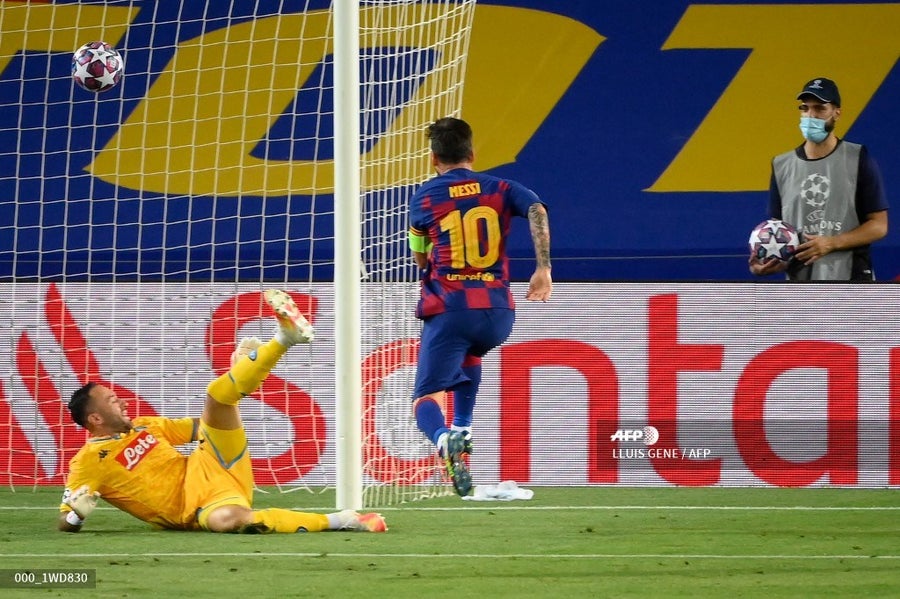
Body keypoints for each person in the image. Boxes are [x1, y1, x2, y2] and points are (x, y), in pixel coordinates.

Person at [59, 289, 387, 534]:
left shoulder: (145, 425)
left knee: (217, 399)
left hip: (212, 462)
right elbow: (64, 522)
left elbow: (203, 425)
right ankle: (342, 520)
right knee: (230, 521)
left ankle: (284, 338)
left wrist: (230, 397)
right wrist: (76, 515)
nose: (123, 402)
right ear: (95, 419)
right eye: (112, 401)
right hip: (197, 506)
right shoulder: (87, 462)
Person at [407, 117, 552, 496]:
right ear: (472, 154)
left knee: (424, 398)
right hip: (498, 314)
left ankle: (444, 440)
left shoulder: (425, 197)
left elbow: (420, 258)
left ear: (433, 158)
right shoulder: (501, 187)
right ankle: (464, 429)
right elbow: (537, 209)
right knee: (471, 353)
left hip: (452, 308)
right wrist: (543, 268)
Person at [750, 77, 888, 281]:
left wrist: (832, 243)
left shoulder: (858, 158)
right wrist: (767, 260)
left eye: (820, 108)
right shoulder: (781, 165)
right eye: (805, 108)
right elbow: (780, 231)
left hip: (852, 280)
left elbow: (879, 225)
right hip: (800, 284)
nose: (811, 115)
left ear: (837, 113)